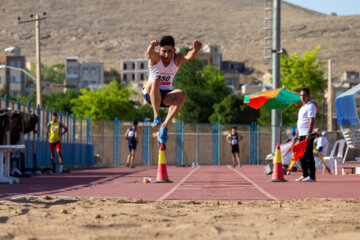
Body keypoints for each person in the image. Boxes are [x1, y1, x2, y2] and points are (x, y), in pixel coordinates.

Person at [142, 35, 202, 144]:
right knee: (156, 80)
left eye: (169, 51)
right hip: (150, 92)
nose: (166, 55)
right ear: (159, 50)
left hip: (165, 96)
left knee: (181, 94)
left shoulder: (176, 59)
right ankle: (156, 116)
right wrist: (151, 46)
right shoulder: (156, 58)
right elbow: (149, 54)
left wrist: (195, 50)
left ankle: (164, 126)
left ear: (174, 51)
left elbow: (188, 56)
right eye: (164, 51)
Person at [292, 88, 317, 182]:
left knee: (308, 155)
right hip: (301, 135)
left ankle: (312, 176)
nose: (302, 97)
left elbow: (312, 120)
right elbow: (300, 123)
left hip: (308, 134)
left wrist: (309, 133)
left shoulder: (311, 106)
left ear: (308, 96)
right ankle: (305, 174)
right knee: (301, 156)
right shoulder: (302, 107)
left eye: (304, 95)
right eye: (301, 95)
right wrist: (296, 135)